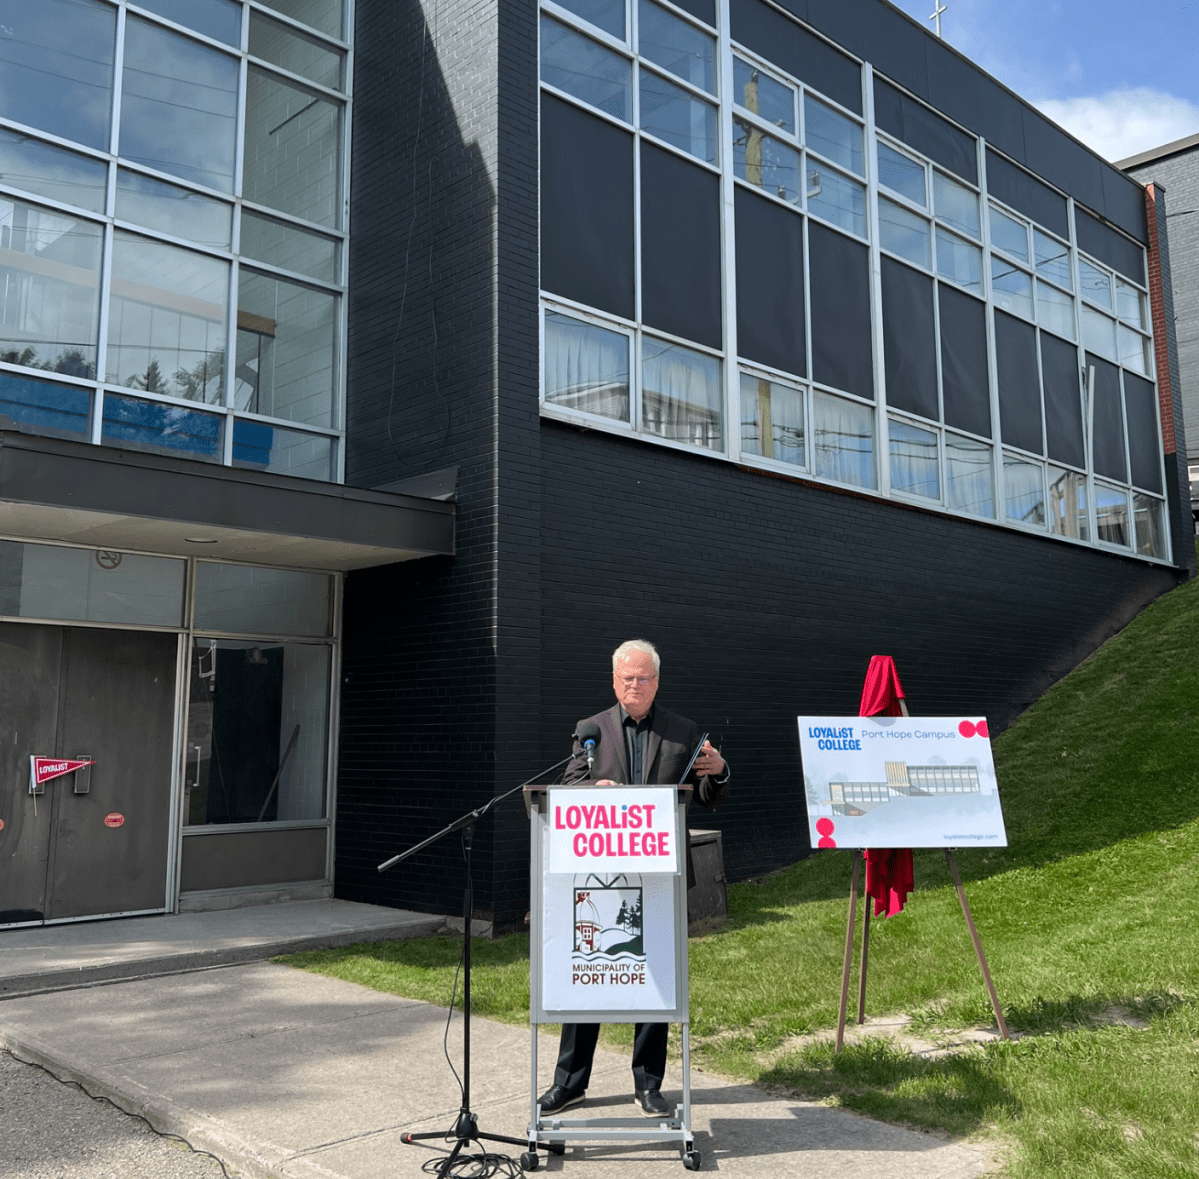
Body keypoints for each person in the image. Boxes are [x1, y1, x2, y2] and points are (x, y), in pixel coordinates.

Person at [538, 639, 730, 1117]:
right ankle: (570, 1081)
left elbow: (706, 794)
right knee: (590, 973)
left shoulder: (682, 731)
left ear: (657, 681)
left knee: (655, 977)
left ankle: (648, 1084)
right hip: (600, 877)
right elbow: (567, 785)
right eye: (626, 678)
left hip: (660, 878)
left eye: (643, 677)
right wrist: (591, 788)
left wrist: (721, 771)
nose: (635, 685)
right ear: (614, 681)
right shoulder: (591, 730)